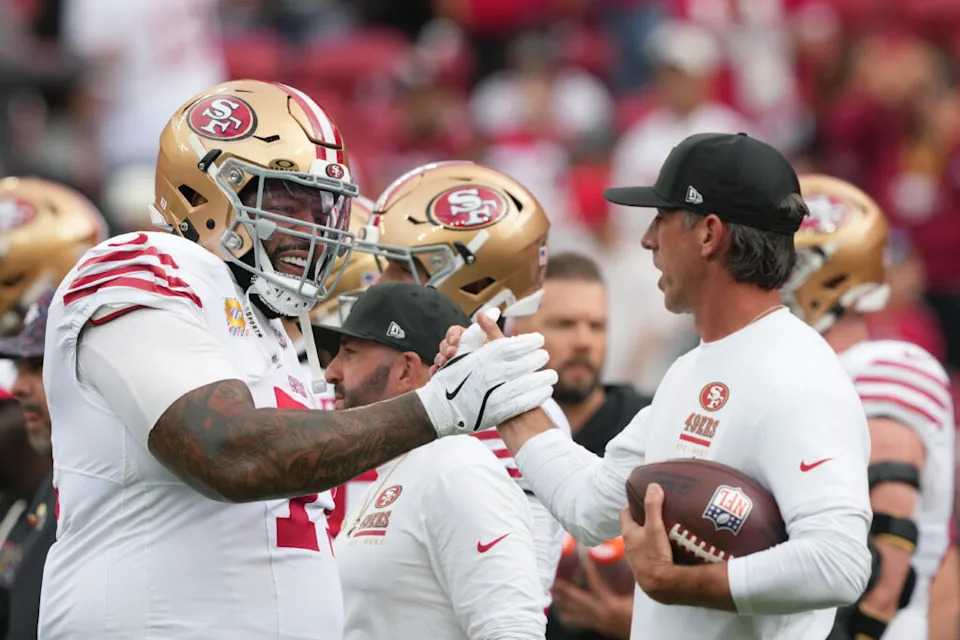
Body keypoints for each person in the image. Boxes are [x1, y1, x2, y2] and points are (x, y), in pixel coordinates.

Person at [38, 79, 556, 639]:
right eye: (289, 202)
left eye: (323, 206)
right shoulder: (147, 266)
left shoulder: (270, 331)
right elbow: (229, 453)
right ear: (205, 194)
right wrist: (434, 409)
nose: (313, 229)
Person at [434, 132, 873, 639]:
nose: (646, 240)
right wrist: (495, 387)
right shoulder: (692, 368)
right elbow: (589, 505)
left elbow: (839, 563)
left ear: (709, 234)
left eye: (661, 220)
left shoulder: (798, 373)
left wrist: (678, 583)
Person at [327, 160, 572, 599]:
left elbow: (515, 598)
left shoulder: (516, 413)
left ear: (473, 283)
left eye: (401, 271)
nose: (379, 284)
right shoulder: (387, 385)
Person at [319, 281, 547, 639]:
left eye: (349, 352)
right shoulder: (398, 470)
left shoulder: (459, 468)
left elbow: (513, 630)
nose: (331, 372)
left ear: (406, 370)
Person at [782, 175, 956, 640]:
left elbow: (883, 579)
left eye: (780, 261)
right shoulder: (802, 372)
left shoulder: (880, 370)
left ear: (818, 271)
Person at [508, 252, 651, 640]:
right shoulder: (480, 435)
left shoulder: (651, 430)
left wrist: (644, 626)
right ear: (514, 330)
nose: (584, 341)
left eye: (597, 326)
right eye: (564, 324)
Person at [0, 290, 58, 640]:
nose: (19, 387)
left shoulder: (124, 490)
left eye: (38, 365)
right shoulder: (46, 492)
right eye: (20, 367)